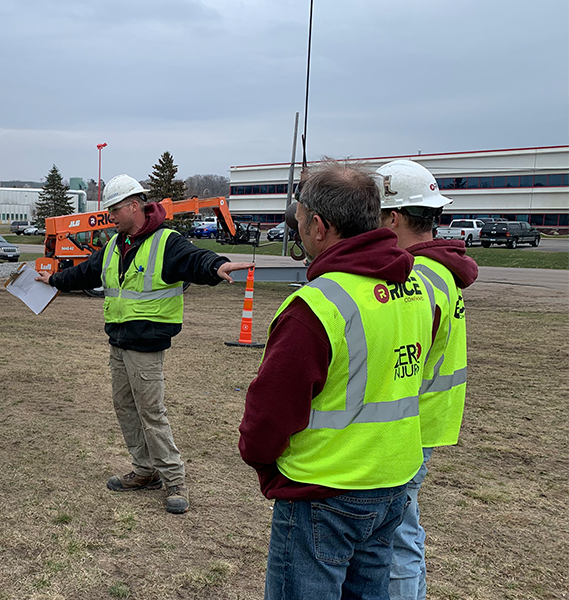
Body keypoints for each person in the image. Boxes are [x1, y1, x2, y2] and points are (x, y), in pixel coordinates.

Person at [238, 159, 441, 600]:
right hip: (392, 480)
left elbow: (270, 412)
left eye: (297, 223)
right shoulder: (419, 290)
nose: (297, 232)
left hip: (324, 491)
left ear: (319, 226)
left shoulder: (317, 306)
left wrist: (266, 466)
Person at [35, 174, 252, 514]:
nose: (110, 217)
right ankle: (144, 469)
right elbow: (87, 273)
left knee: (151, 412)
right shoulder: (114, 246)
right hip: (119, 342)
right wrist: (55, 279)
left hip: (146, 345)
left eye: (114, 210)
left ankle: (175, 480)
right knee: (125, 408)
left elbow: (194, 259)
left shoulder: (167, 241)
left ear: (134, 206)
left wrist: (217, 266)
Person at [377, 160, 478, 600]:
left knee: (397, 538)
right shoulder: (441, 269)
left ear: (393, 217)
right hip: (429, 418)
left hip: (410, 423)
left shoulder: (417, 277)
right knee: (405, 528)